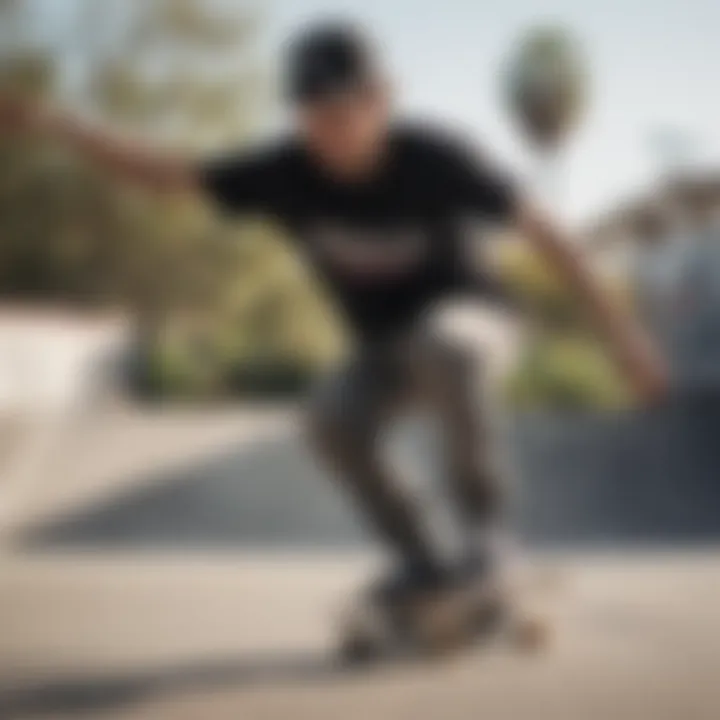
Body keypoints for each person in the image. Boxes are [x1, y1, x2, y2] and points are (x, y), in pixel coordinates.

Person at [0, 23, 667, 605]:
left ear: (381, 100)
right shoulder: (284, 173)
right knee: (329, 420)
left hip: (478, 324)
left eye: (345, 111)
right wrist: (64, 125)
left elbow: (549, 233)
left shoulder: (439, 157)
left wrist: (624, 336)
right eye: (313, 115)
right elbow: (169, 177)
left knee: (446, 344)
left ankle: (489, 536)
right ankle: (423, 559)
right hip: (384, 351)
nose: (330, 131)